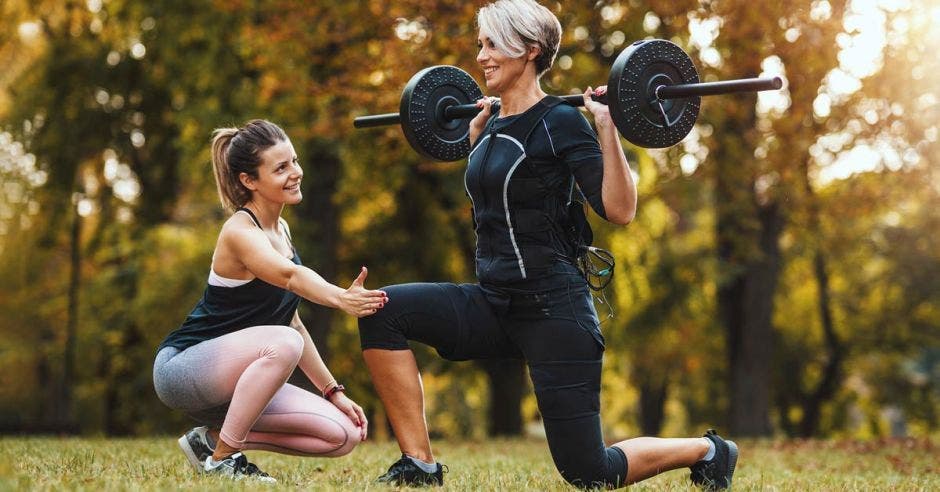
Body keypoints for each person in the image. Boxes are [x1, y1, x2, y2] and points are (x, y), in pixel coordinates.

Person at [358, 1, 738, 489]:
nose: (482, 57)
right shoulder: (488, 124)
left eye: (492, 45)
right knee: (382, 310)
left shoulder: (560, 121)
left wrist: (608, 128)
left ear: (530, 51)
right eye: (481, 45)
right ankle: (420, 466)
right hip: (495, 302)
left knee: (589, 473)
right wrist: (476, 144)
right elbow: (501, 205)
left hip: (553, 311)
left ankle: (709, 451)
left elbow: (619, 210)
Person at [153, 119, 387, 483]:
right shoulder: (239, 232)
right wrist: (341, 297)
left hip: (241, 380)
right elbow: (291, 278)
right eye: (281, 168)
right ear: (249, 181)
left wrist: (333, 391)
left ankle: (212, 442)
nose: (295, 173)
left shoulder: (283, 230)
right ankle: (225, 460)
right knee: (284, 343)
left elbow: (292, 321)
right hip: (184, 369)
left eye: (293, 161)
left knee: (344, 435)